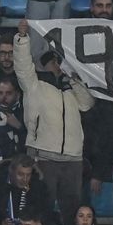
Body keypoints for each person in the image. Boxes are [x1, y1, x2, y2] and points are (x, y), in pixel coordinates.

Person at [12, 24, 94, 211]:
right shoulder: (35, 85)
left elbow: (87, 103)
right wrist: (22, 38)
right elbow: (23, 66)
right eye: (52, 61)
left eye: (60, 61)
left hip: (73, 158)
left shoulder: (72, 89)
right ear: (44, 64)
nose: (57, 65)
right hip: (43, 156)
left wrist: (73, 78)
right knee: (42, 207)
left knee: (72, 210)